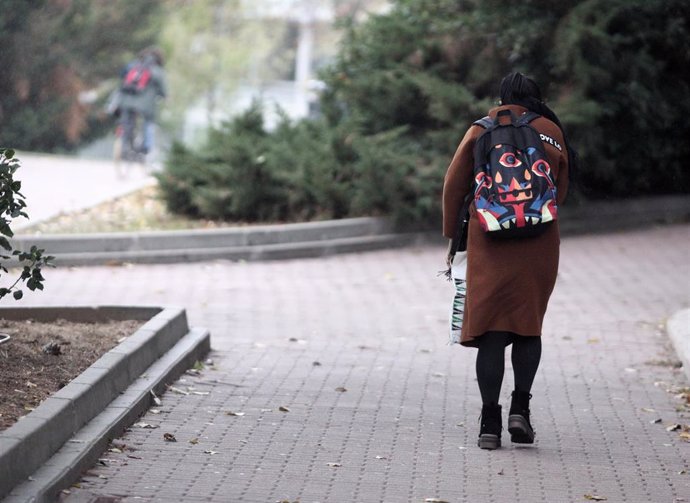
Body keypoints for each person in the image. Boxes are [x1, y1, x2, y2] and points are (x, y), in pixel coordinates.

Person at [442, 72, 577, 450]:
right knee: (527, 326)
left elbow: (454, 185)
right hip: (539, 239)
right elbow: (560, 190)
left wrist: (454, 238)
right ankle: (521, 410)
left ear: (502, 97)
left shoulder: (480, 129)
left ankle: (489, 423)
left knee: (492, 330)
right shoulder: (549, 129)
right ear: (535, 98)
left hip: (488, 237)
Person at [117, 47, 167, 160]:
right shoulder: (157, 70)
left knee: (127, 120)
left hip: (126, 101)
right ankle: (146, 148)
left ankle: (124, 142)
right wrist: (165, 97)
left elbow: (121, 75)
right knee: (148, 122)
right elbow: (163, 90)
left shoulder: (133, 65)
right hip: (145, 105)